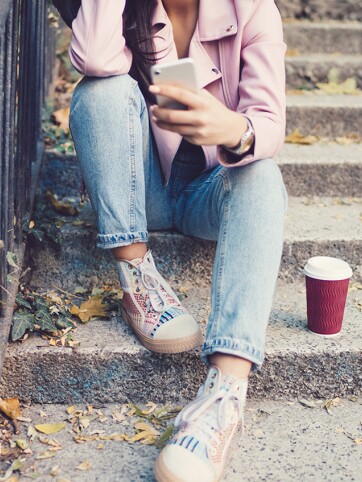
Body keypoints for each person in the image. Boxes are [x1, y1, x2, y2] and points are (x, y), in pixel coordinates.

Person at [65, 0, 286, 480]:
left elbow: (270, 120)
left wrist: (234, 129)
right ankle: (137, 276)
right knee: (101, 90)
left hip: (210, 187)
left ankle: (224, 395)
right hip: (143, 191)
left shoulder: (252, 11)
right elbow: (95, 59)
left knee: (263, 176)